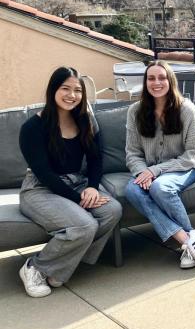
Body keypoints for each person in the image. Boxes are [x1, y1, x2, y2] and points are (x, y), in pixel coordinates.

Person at [17, 67, 122, 298]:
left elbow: (96, 158)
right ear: (53, 89)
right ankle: (35, 267)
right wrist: (80, 199)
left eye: (77, 90)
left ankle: (63, 264)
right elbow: (44, 174)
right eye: (65, 88)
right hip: (40, 189)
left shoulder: (85, 120)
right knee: (85, 225)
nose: (72, 95)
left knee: (112, 210)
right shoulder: (32, 128)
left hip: (77, 182)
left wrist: (92, 187)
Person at [125, 60, 195, 270]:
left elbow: (192, 154)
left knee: (161, 187)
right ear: (145, 83)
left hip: (185, 167)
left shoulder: (187, 110)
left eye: (162, 77)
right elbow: (132, 153)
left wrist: (154, 171)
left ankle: (188, 243)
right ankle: (188, 239)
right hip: (150, 171)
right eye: (151, 78)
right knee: (132, 190)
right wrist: (143, 172)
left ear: (170, 80)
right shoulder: (135, 112)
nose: (156, 82)